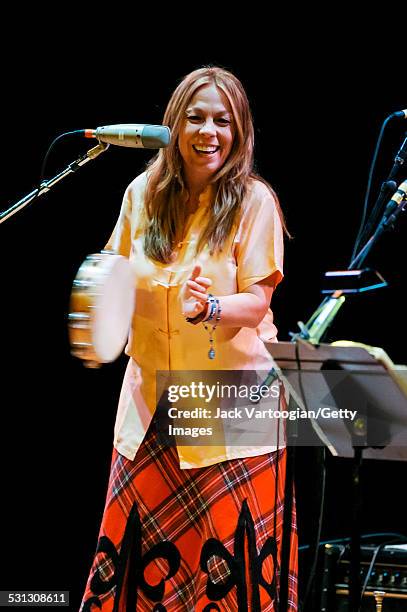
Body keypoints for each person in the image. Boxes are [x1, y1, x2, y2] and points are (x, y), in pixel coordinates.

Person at [80, 66, 298, 611]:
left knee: (231, 566)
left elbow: (258, 302)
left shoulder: (255, 201)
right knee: (139, 562)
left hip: (230, 401)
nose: (209, 132)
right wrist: (98, 310)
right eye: (196, 118)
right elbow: (117, 274)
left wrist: (212, 308)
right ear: (173, 126)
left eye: (223, 121)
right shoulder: (142, 194)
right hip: (151, 396)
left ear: (240, 131)